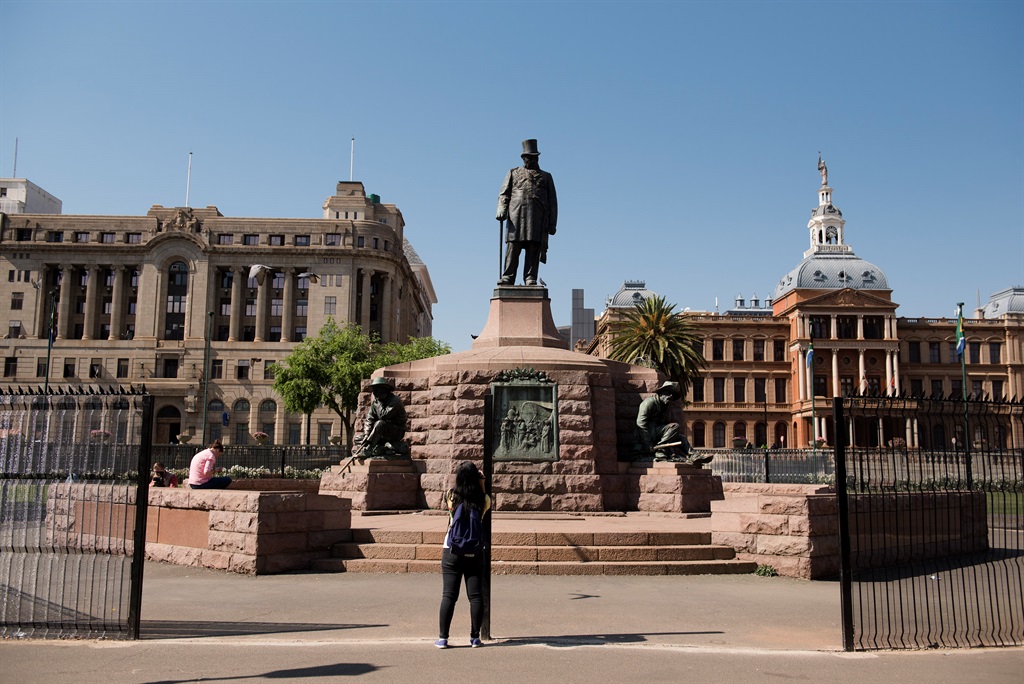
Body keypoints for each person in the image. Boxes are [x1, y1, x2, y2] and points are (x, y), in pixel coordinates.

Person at [436, 460, 491, 649]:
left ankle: (443, 638)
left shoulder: (452, 496)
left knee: (449, 596)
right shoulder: (483, 500)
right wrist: (481, 481)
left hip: (452, 550)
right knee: (475, 597)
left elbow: (452, 496)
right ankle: (475, 637)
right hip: (475, 552)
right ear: (476, 478)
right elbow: (484, 496)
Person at [495, 139, 558, 286]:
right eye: (529, 157)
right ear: (523, 158)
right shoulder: (513, 173)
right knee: (513, 247)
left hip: (537, 218)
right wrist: (501, 208)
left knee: (533, 248)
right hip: (516, 216)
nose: (532, 160)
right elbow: (504, 194)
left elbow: (553, 202)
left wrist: (552, 223)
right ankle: (508, 276)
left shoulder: (546, 177)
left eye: (534, 157)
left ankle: (530, 277)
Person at [634, 381, 712, 465]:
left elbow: (668, 432)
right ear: (661, 393)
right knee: (675, 426)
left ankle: (693, 455)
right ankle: (660, 451)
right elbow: (640, 423)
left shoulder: (666, 408)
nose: (670, 396)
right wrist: (647, 443)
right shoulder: (649, 403)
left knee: (681, 437)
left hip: (658, 434)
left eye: (672, 394)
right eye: (668, 393)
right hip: (647, 433)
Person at [356, 377, 408, 459]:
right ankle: (383, 447)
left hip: (396, 431)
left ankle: (368, 449)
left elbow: (383, 416)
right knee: (359, 439)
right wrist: (367, 434)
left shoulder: (394, 401)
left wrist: (379, 403)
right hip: (380, 431)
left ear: (384, 390)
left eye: (376, 390)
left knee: (380, 424)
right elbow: (369, 419)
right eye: (374, 390)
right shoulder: (376, 402)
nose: (374, 393)